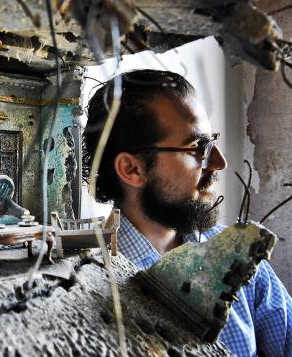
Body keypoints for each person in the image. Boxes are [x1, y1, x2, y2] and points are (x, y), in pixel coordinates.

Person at [82, 69, 292, 356]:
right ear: (132, 169)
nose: (219, 162)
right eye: (198, 147)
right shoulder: (91, 286)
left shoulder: (241, 261)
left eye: (212, 142)